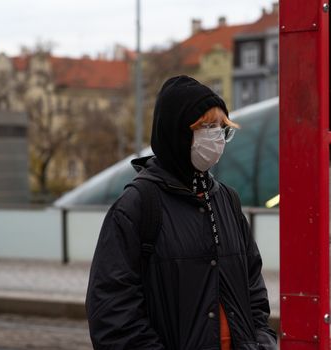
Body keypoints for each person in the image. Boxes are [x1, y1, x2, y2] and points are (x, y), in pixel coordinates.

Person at [86, 75, 277, 350]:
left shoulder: (227, 200)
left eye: (222, 128)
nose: (217, 138)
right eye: (207, 127)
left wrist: (262, 343)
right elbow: (112, 314)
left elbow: (254, 292)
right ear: (177, 134)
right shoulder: (137, 206)